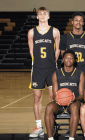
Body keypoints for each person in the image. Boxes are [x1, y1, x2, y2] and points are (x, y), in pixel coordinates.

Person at [28, 6, 60, 138]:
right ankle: (38, 126)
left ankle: (51, 125)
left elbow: (57, 50)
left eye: (44, 13)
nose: (42, 15)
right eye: (40, 13)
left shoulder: (55, 32)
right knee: (37, 98)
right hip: (38, 70)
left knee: (53, 98)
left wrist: (52, 63)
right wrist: (38, 64)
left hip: (51, 69)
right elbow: (31, 51)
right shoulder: (31, 32)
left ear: (48, 16)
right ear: (37, 16)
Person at [44, 50, 85, 140]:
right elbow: (54, 95)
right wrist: (60, 98)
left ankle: (71, 138)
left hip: (74, 103)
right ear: (63, 60)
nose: (69, 60)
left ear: (75, 60)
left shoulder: (80, 74)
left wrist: (75, 98)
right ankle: (50, 138)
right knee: (48, 107)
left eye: (71, 58)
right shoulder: (56, 74)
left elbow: (82, 96)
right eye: (66, 58)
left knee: (74, 107)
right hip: (59, 103)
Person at [60, 12, 85, 79]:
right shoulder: (65, 37)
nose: (78, 22)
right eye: (76, 20)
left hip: (84, 67)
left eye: (81, 20)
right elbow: (63, 55)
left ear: (83, 23)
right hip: (71, 67)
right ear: (72, 22)